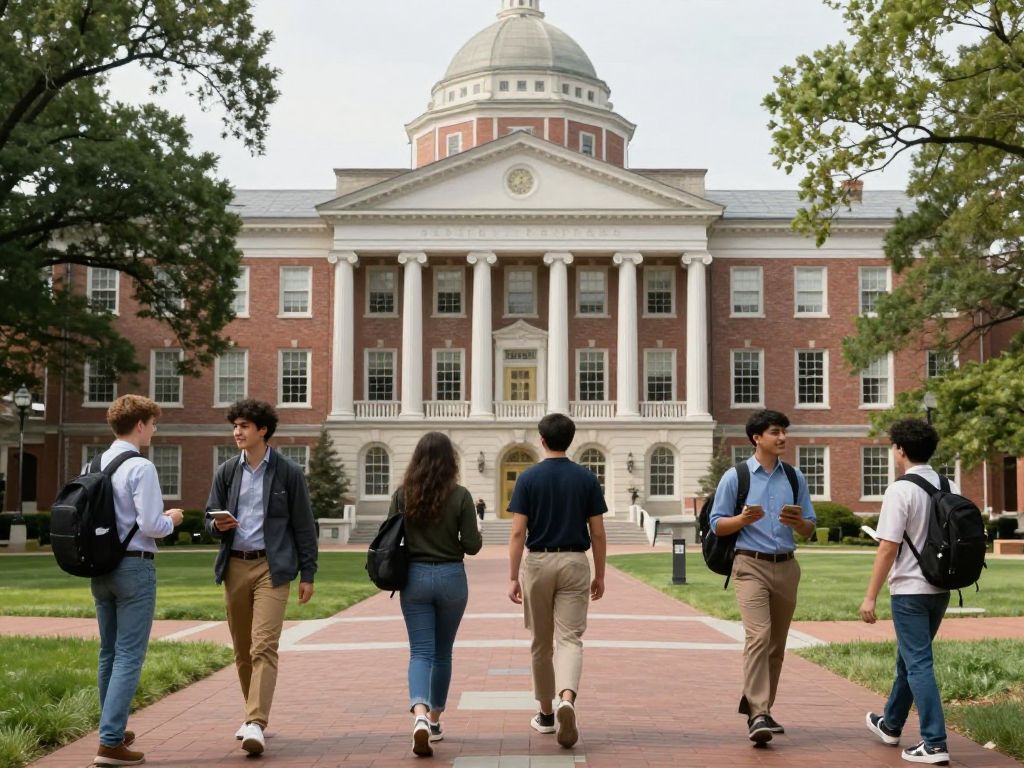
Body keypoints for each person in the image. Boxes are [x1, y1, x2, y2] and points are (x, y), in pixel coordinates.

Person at [204, 399, 318, 756]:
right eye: (234, 426)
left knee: (263, 645)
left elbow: (303, 525)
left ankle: (255, 721)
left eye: (243, 426)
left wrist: (308, 573)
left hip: (273, 567)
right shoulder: (226, 471)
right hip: (235, 566)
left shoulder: (287, 472)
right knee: (241, 651)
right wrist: (215, 524)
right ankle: (251, 713)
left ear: (262, 430)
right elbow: (207, 519)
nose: (237, 432)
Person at [709, 409, 816, 745]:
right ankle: (757, 713)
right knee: (758, 636)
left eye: (784, 431)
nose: (782, 437)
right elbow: (716, 524)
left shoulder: (795, 478)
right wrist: (741, 519)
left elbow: (811, 528)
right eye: (775, 432)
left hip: (786, 566)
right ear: (757, 438)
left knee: (776, 646)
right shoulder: (735, 477)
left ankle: (763, 707)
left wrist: (799, 524)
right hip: (749, 565)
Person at [92, 395, 184, 767]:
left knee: (109, 652)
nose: (155, 430)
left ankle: (110, 728)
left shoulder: (96, 462)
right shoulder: (140, 467)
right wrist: (172, 520)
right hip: (134, 567)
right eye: (153, 423)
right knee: (129, 654)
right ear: (141, 425)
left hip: (100, 567)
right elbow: (150, 525)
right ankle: (110, 742)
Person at [507, 413, 607, 749]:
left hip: (538, 560)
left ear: (542, 439)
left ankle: (547, 714)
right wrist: (601, 574)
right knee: (570, 639)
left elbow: (518, 531)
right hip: (576, 561)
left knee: (541, 641)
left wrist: (512, 577)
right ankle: (567, 698)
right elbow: (598, 532)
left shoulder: (528, 478)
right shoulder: (586, 478)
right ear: (570, 439)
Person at [860, 419, 954, 765]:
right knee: (910, 658)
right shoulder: (949, 484)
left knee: (918, 663)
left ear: (900, 449)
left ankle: (934, 742)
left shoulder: (900, 489)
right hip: (940, 586)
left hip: (910, 590)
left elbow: (888, 547)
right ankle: (891, 724)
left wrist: (870, 596)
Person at [388, 431, 482, 757]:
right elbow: (472, 545)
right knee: (443, 652)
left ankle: (419, 716)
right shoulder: (461, 495)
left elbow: (389, 536)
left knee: (420, 652)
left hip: (413, 577)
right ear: (451, 461)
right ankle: (436, 720)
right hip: (451, 576)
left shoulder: (403, 495)